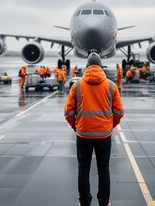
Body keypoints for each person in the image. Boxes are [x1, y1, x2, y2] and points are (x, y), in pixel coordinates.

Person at [64, 52, 124, 206]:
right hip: (104, 136)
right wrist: (109, 126)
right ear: (101, 66)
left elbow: (68, 112)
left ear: (87, 66)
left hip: (83, 135)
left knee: (83, 170)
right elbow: (119, 112)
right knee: (103, 170)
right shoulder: (111, 86)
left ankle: (84, 201)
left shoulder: (77, 86)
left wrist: (76, 126)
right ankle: (104, 202)